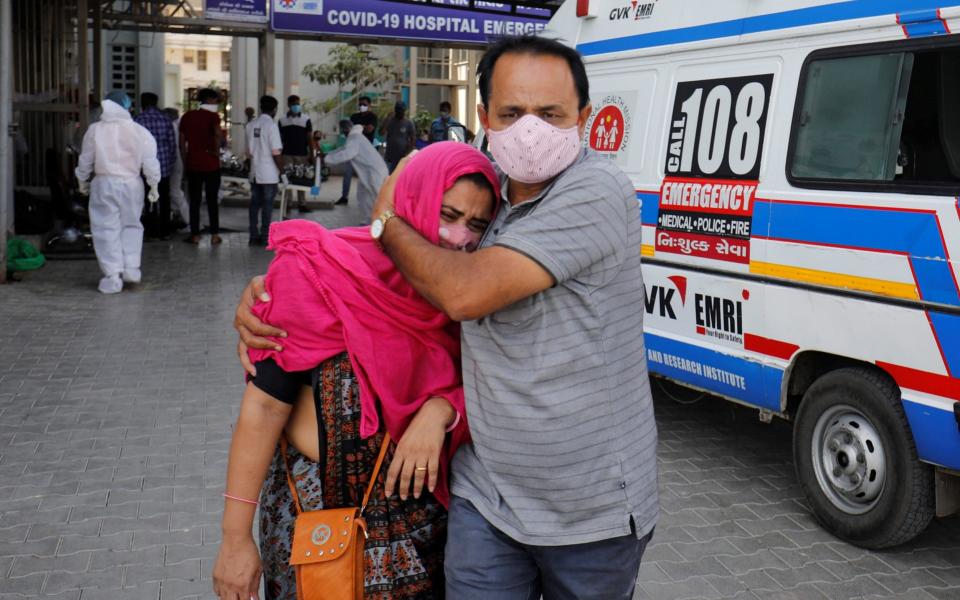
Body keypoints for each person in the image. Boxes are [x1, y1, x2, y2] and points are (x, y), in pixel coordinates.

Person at [236, 35, 659, 599]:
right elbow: (362, 291)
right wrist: (273, 294)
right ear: (483, 117)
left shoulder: (597, 191)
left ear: (583, 116)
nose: (531, 129)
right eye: (511, 113)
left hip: (588, 512)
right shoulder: (487, 198)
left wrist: (387, 219)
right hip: (484, 501)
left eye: (551, 114)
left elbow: (460, 295)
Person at [212, 143, 500, 600]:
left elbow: (490, 385)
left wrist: (440, 410)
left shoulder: (466, 299)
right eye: (448, 214)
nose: (458, 237)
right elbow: (264, 407)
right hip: (312, 526)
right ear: (413, 202)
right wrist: (234, 539)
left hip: (420, 537)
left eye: (477, 226)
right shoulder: (317, 272)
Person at [75, 90, 161, 294]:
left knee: (106, 228)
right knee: (132, 225)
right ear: (127, 107)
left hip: (104, 183)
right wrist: (154, 184)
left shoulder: (95, 130)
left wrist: (81, 179)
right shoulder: (140, 131)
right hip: (132, 184)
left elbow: (85, 159)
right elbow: (150, 161)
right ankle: (131, 269)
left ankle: (112, 275)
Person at [322, 120, 388, 224]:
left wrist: (326, 159)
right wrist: (326, 155)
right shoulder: (354, 138)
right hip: (368, 172)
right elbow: (342, 149)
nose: (342, 133)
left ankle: (385, 222)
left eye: (343, 131)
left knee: (379, 196)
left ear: (345, 130)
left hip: (375, 172)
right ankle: (368, 221)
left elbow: (347, 154)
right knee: (362, 195)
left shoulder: (354, 138)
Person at [180, 88, 223, 245]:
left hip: (193, 164)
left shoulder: (187, 116)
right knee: (212, 200)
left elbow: (181, 143)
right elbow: (218, 134)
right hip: (211, 164)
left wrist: (185, 161)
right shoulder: (213, 117)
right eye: (215, 100)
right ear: (210, 100)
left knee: (195, 201)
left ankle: (195, 235)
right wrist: (216, 151)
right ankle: (214, 235)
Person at [134, 92, 176, 239]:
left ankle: (151, 231)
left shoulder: (137, 120)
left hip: (144, 168)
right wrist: (170, 163)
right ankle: (165, 231)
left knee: (147, 199)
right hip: (163, 167)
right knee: (164, 199)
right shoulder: (165, 119)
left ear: (142, 103)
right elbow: (172, 145)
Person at [246, 95, 284, 246]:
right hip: (269, 173)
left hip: (254, 171)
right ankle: (265, 237)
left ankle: (253, 236)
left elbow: (248, 152)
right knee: (267, 206)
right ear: (274, 109)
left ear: (261, 107)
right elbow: (276, 152)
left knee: (254, 204)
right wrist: (283, 172)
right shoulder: (272, 126)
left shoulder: (250, 125)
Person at [278, 94, 317, 213]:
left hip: (302, 154)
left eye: (298, 104)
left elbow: (310, 138)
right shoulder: (282, 120)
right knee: (288, 179)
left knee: (302, 179)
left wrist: (312, 154)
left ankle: (302, 204)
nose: (297, 106)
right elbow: (279, 138)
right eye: (294, 104)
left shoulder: (306, 119)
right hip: (287, 154)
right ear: (289, 105)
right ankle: (288, 204)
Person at [338, 96, 378, 206]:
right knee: (347, 173)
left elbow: (370, 129)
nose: (362, 107)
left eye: (364, 104)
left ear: (369, 105)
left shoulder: (372, 117)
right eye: (360, 105)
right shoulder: (354, 116)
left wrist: (356, 128)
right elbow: (347, 130)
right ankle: (344, 197)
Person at [162, 107, 189, 230]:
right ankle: (178, 219)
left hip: (173, 162)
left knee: (175, 192)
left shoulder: (172, 126)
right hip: (176, 162)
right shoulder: (177, 126)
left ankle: (190, 221)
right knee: (173, 193)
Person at [380, 100, 416, 173]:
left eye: (401, 110)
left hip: (402, 156)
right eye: (398, 110)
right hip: (390, 155)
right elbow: (381, 133)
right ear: (395, 110)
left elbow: (413, 138)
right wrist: (387, 119)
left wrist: (408, 151)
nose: (400, 112)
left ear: (404, 111)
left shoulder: (408, 122)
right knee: (388, 176)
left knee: (399, 177)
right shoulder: (389, 121)